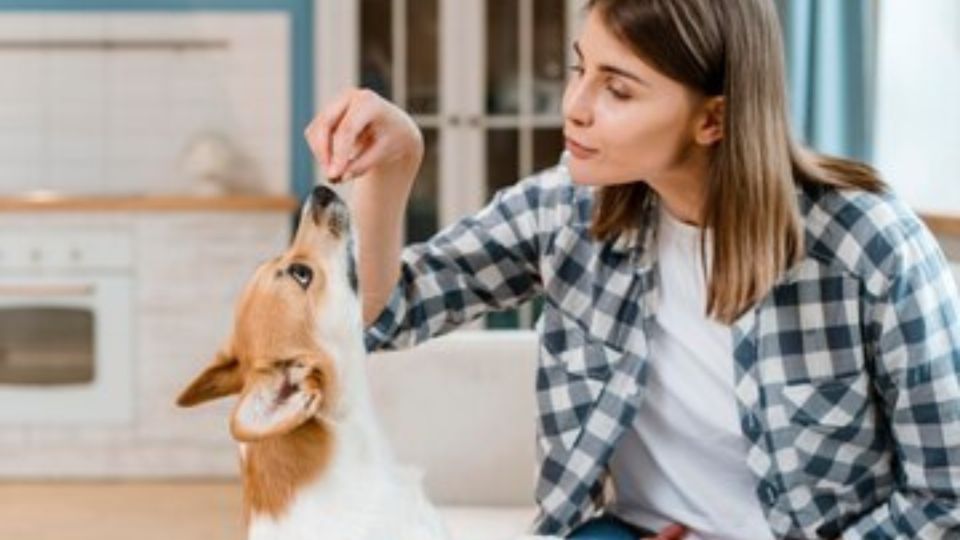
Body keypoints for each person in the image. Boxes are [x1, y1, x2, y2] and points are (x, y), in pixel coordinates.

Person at [303, 0, 960, 538]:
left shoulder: (869, 247)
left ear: (713, 118)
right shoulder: (566, 209)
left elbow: (945, 496)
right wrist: (392, 172)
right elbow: (380, 318)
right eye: (579, 70)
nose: (576, 106)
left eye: (617, 89)